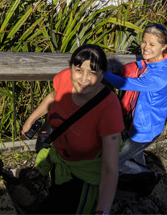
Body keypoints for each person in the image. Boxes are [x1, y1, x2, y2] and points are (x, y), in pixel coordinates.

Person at [23, 43, 122, 215]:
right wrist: (31, 119)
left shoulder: (109, 108)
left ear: (102, 75)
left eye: (92, 72)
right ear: (71, 68)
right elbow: (53, 96)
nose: (83, 78)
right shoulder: (64, 78)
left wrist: (103, 212)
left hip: (84, 172)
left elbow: (110, 169)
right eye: (78, 70)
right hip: (60, 160)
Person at [103, 23, 167, 183]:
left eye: (152, 44)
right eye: (144, 41)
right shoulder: (156, 62)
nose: (145, 47)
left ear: (164, 46)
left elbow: (123, 83)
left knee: (114, 162)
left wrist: (101, 71)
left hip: (145, 129)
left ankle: (151, 178)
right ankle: (142, 185)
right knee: (135, 155)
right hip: (141, 123)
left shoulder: (161, 75)